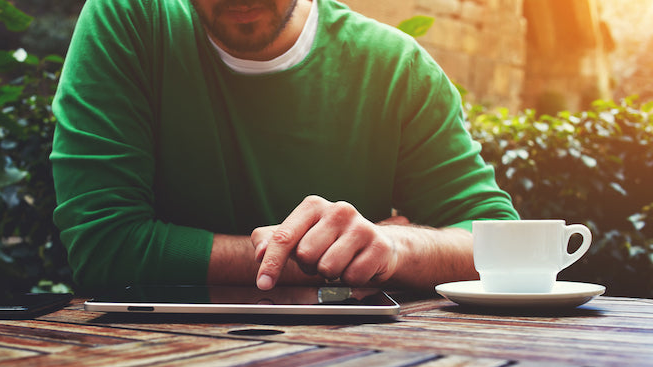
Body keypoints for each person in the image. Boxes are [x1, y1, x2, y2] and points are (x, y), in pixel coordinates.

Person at [50, 0, 519, 295]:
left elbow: (503, 246)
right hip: (145, 365)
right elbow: (104, 250)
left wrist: (397, 246)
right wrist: (341, 264)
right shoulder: (129, 17)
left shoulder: (396, 68)